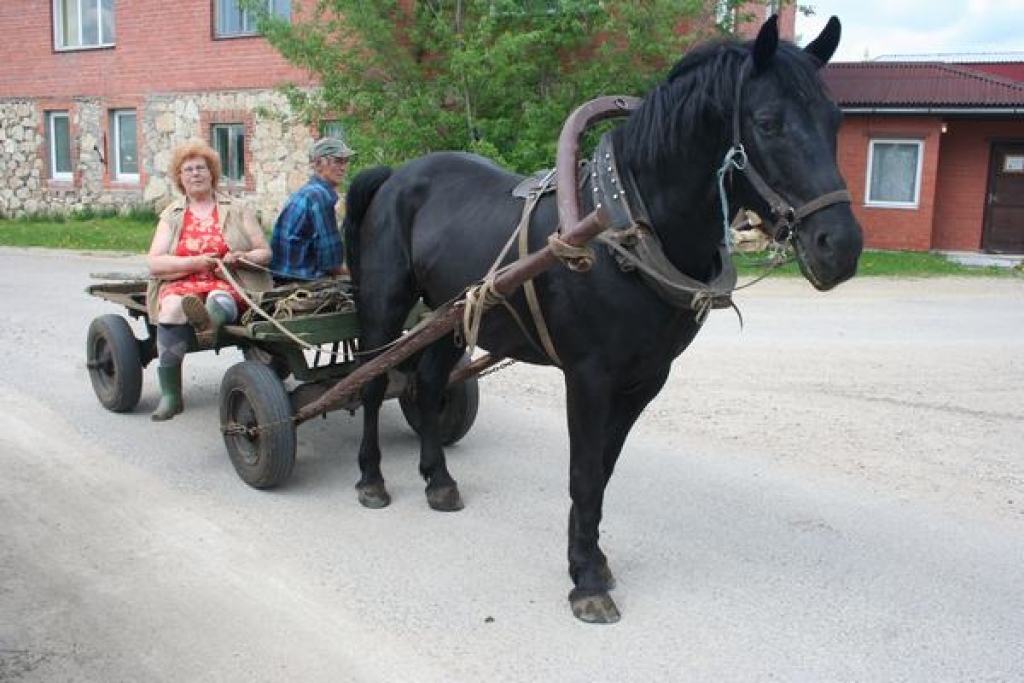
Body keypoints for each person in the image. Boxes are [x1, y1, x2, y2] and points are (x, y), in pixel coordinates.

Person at [146, 140, 272, 421]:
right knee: (172, 308)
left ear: (212, 173)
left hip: (227, 280)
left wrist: (240, 257)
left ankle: (208, 323)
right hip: (183, 281)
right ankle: (171, 396)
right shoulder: (172, 215)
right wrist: (193, 263)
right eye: (188, 170)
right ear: (180, 178)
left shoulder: (237, 208)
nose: (195, 174)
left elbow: (265, 252)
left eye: (201, 168)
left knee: (220, 300)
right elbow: (154, 262)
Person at [270, 136, 355, 283]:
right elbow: (331, 261)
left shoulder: (307, 191)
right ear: (318, 164)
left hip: (284, 275)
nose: (344, 167)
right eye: (338, 161)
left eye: (346, 161)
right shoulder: (318, 196)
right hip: (300, 280)